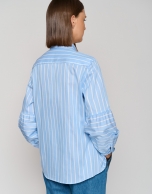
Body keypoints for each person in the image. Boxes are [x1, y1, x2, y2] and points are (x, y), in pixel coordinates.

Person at [18, 0, 119, 193]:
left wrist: (51, 144)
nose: (85, 26)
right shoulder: (87, 65)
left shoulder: (39, 66)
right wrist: (107, 151)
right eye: (83, 19)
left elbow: (27, 123)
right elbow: (100, 123)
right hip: (87, 170)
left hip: (53, 169)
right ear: (72, 20)